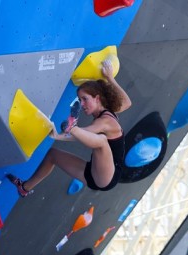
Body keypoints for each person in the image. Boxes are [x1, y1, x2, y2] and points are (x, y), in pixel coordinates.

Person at [7, 60, 132, 197]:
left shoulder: (106, 121)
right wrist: (57, 136)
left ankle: (72, 126)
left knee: (101, 141)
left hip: (108, 177)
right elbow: (127, 102)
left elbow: (85, 133)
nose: (82, 104)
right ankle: (24, 188)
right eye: (80, 100)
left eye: (85, 99)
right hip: (93, 172)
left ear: (97, 98)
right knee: (53, 155)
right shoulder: (110, 110)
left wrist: (110, 77)